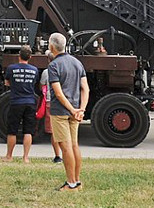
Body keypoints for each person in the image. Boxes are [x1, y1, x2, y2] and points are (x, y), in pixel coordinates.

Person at [47, 32, 88, 191]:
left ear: (51, 47)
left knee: (65, 148)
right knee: (74, 146)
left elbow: (57, 92)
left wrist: (71, 110)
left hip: (60, 111)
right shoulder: (77, 63)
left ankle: (71, 183)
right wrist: (81, 109)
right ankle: (77, 181)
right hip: (76, 110)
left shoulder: (53, 66)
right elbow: (85, 88)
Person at [2, 46, 40, 163]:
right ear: (30, 57)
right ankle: (26, 157)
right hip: (30, 102)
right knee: (28, 131)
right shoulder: (34, 70)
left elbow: (7, 82)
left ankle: (9, 156)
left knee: (12, 130)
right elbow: (35, 83)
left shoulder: (11, 68)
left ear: (19, 56)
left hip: (16, 102)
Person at [38, 67, 62, 163]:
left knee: (53, 131)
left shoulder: (46, 72)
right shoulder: (65, 70)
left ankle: (57, 155)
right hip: (65, 102)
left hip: (50, 101)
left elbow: (41, 86)